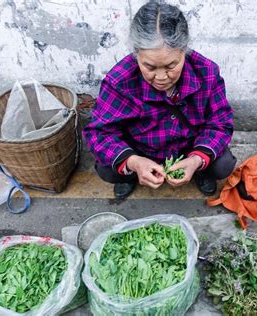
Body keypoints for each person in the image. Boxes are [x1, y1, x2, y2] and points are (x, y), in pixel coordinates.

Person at [83, 1, 236, 199]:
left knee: (223, 165)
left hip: (189, 148)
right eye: (150, 67)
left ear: (184, 51)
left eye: (171, 65)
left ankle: (199, 170)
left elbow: (220, 123)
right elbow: (100, 133)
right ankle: (132, 175)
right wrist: (134, 162)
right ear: (136, 54)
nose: (162, 77)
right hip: (142, 150)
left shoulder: (207, 72)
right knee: (107, 169)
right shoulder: (119, 81)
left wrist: (196, 159)